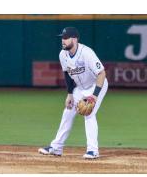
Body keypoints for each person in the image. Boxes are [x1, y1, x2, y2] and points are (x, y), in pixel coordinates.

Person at [38, 27, 108, 159]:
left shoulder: (87, 53)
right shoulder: (62, 54)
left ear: (74, 39)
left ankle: (93, 150)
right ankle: (56, 147)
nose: (63, 41)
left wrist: (94, 95)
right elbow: (67, 73)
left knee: (89, 113)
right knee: (68, 112)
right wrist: (70, 93)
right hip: (80, 88)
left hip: (96, 85)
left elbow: (102, 73)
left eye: (66, 38)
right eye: (62, 38)